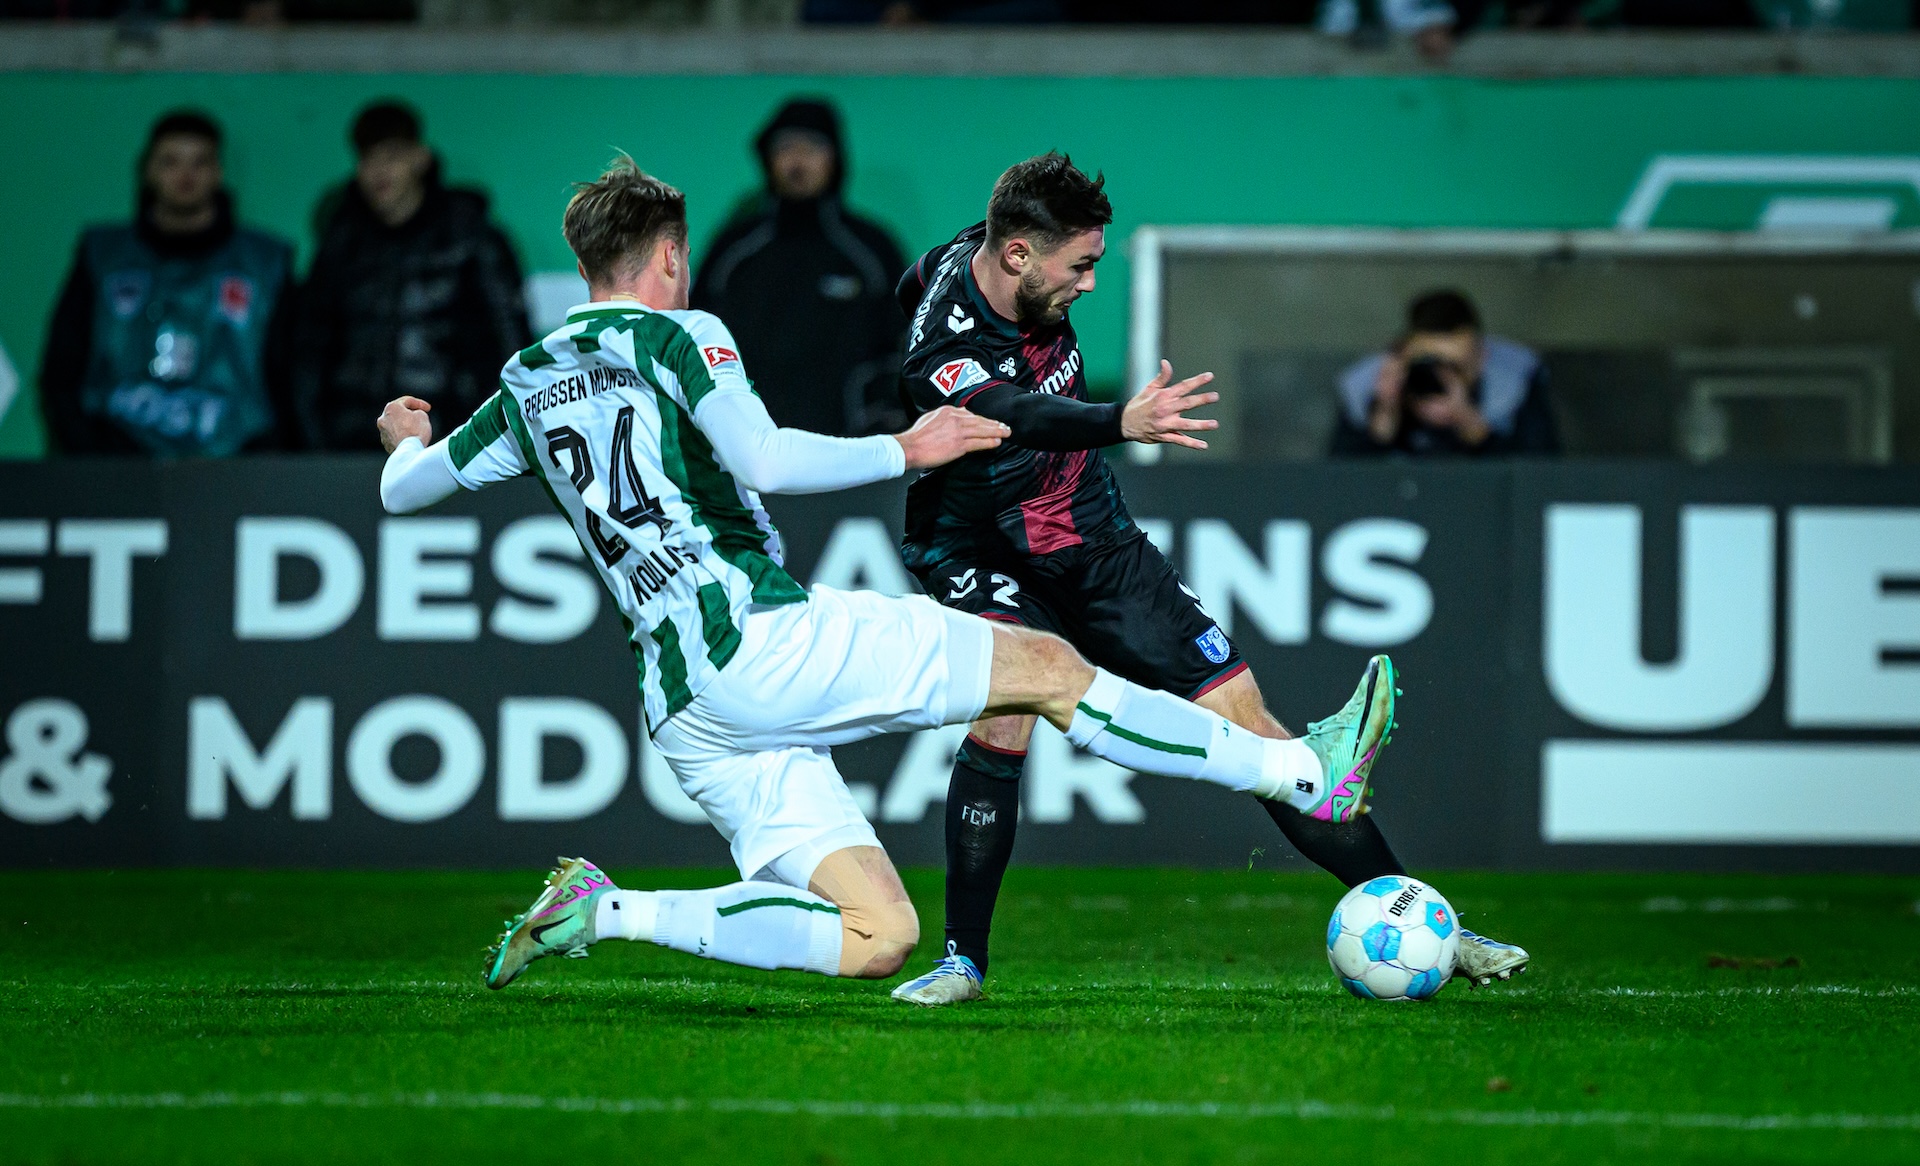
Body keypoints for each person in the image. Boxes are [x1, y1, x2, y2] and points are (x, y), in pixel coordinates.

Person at [373, 156, 1395, 991]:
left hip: (683, 706)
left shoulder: (525, 379)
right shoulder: (681, 336)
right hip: (758, 641)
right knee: (1041, 665)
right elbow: (768, 460)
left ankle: (606, 909)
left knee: (875, 933)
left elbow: (406, 494)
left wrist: (401, 439)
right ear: (671, 259)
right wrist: (903, 449)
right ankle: (1303, 768)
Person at [886, 153, 1529, 1006]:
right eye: (1079, 266)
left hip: (1091, 536)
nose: (1086, 284)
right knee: (1008, 718)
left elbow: (911, 278)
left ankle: (1422, 917)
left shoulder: (965, 251)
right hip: (980, 547)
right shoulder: (944, 350)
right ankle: (964, 962)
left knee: (1264, 737)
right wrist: (1122, 419)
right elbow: (1015, 414)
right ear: (1018, 257)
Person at [39, 110, 295, 457]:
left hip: (234, 466)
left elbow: (289, 375)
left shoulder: (263, 265)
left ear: (218, 172)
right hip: (115, 465)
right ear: (147, 171)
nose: (185, 175)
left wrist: (267, 456)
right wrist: (89, 452)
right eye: (170, 161)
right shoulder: (103, 258)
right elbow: (62, 372)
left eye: (199, 162)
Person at [293, 100, 531, 450]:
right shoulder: (341, 244)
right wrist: (313, 444)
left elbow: (509, 348)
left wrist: (480, 444)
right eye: (368, 158)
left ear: (420, 158)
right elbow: (308, 353)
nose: (380, 171)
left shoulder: (472, 239)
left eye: (392, 155)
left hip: (448, 443)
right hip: (349, 445)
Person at [691, 99, 907, 437]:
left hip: (852, 458)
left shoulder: (871, 252)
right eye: (787, 147)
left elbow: (903, 348)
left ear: (835, 157)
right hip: (742, 453)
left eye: (813, 147)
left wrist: (883, 417)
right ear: (768, 159)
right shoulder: (733, 251)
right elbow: (691, 340)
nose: (798, 160)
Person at [1328, 289, 1559, 458]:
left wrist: (1476, 431)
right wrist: (1383, 416)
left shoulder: (1516, 381)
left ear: (1482, 357)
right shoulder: (1368, 386)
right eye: (1430, 363)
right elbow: (1334, 482)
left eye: (1457, 368)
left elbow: (1543, 479)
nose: (1441, 377)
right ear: (1403, 355)